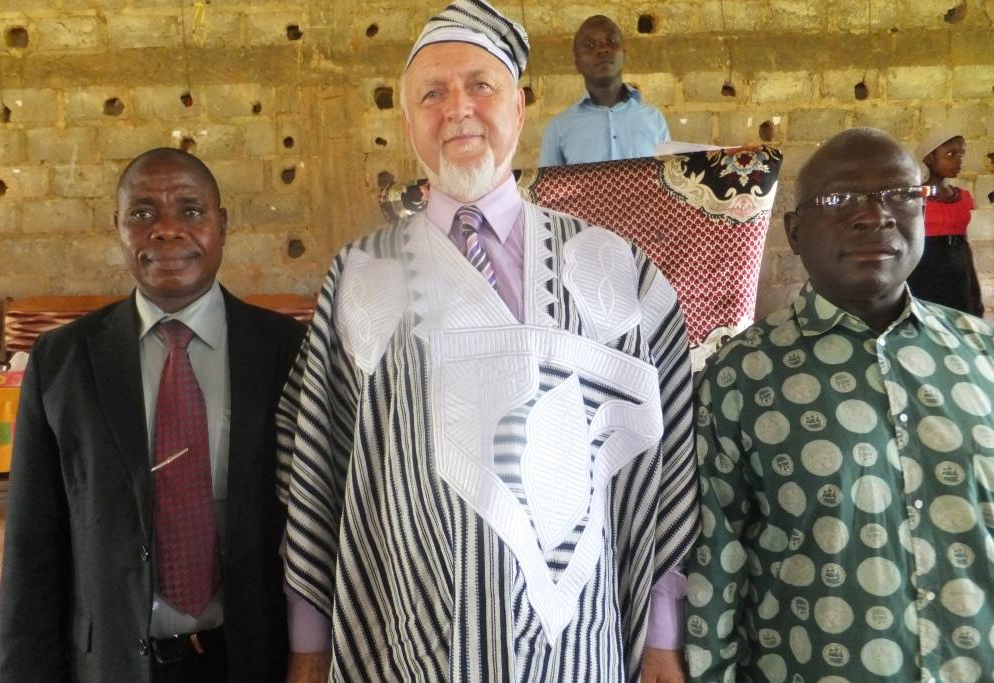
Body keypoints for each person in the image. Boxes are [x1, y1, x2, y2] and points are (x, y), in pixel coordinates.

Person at [277, 2, 699, 681]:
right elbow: (318, 464)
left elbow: (664, 447)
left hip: (575, 645)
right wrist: (309, 644)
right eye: (432, 95)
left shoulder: (611, 266)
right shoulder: (362, 275)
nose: (458, 110)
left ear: (521, 107)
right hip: (409, 639)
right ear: (409, 123)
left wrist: (660, 634)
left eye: (480, 85)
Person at [685, 127, 994, 681]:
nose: (875, 215)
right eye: (839, 199)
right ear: (794, 232)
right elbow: (716, 562)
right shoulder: (743, 375)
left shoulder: (982, 354)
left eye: (901, 194)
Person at [0, 147, 306, 682]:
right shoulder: (63, 361)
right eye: (142, 214)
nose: (166, 230)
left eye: (191, 210)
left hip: (254, 659)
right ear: (118, 226)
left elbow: (319, 527)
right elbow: (32, 550)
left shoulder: (288, 352)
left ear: (222, 225)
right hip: (113, 663)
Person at [538, 15, 670, 167]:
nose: (602, 49)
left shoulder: (654, 119)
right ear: (578, 64)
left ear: (624, 55)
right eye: (589, 45)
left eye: (611, 41)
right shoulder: (559, 128)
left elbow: (668, 181)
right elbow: (548, 189)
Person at [906, 128, 983, 316]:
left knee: (961, 325)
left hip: (957, 272)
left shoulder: (962, 198)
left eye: (961, 154)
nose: (958, 160)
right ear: (929, 159)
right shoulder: (913, 197)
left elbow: (964, 244)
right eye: (950, 154)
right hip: (923, 272)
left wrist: (974, 289)